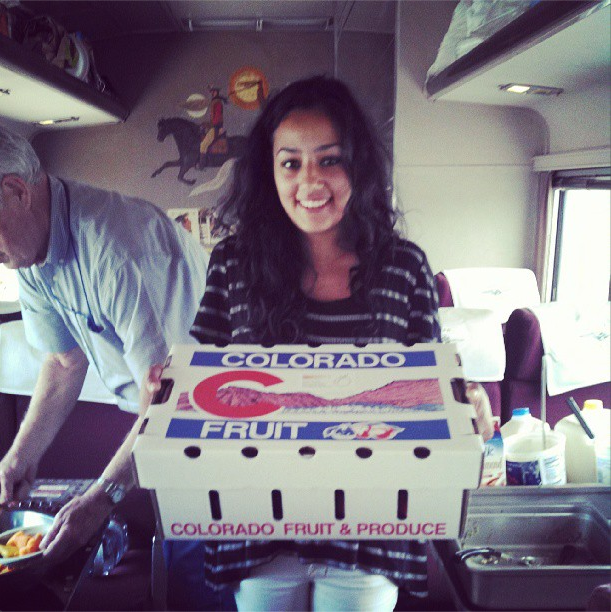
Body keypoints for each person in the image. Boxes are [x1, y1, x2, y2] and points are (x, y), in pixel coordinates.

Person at [143, 75, 494, 611]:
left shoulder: (404, 267)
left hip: (371, 531)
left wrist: (468, 408)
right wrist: (163, 394)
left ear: (359, 166)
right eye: (291, 162)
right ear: (270, 171)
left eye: (330, 160)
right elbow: (199, 379)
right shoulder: (234, 263)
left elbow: (430, 390)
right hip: (254, 526)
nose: (310, 180)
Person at [0, 126, 210, 573]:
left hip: (206, 426)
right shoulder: (29, 251)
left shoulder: (115, 252)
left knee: (201, 580)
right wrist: (20, 456)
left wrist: (102, 497)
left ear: (17, 191)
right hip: (162, 423)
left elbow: (169, 399)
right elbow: (64, 361)